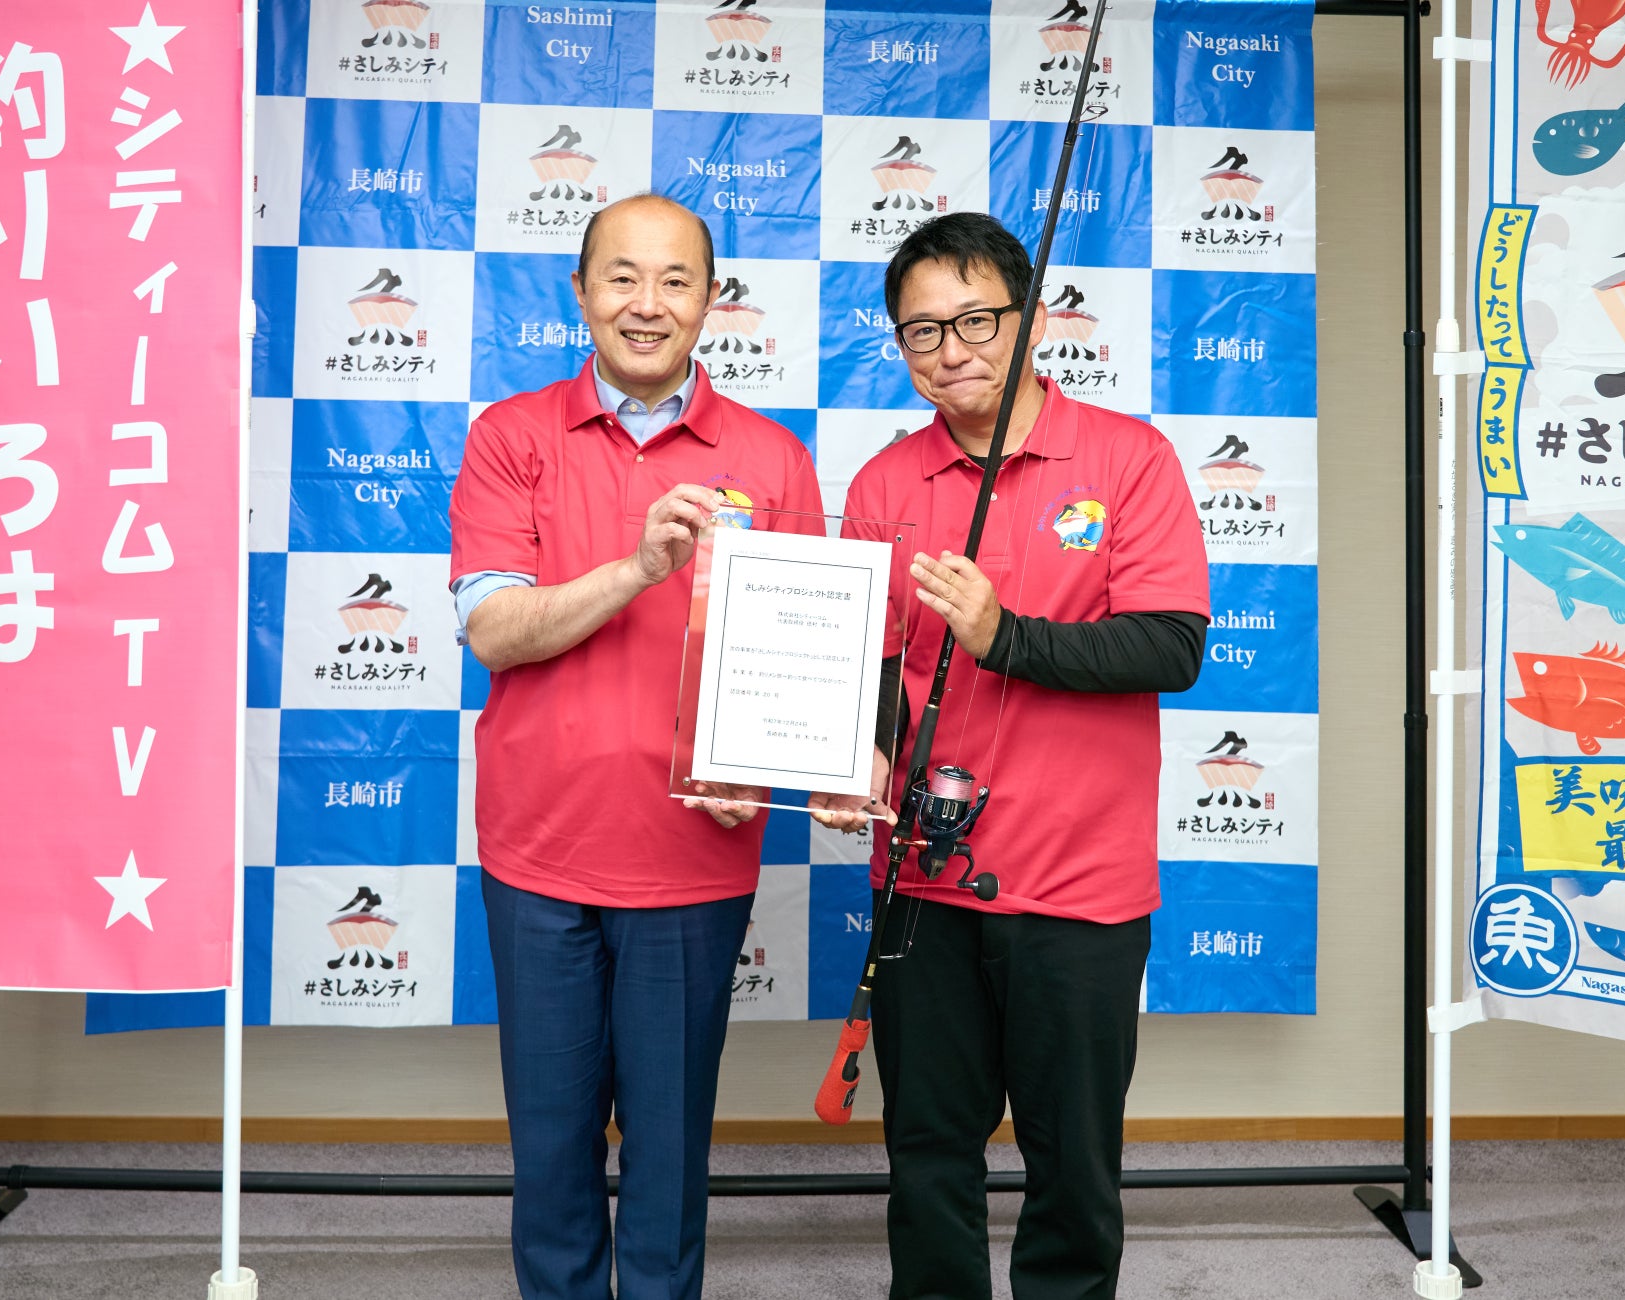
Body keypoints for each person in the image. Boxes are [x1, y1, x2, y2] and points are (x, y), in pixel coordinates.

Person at [809, 211, 1211, 1300]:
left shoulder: (1129, 458)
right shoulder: (885, 483)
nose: (951, 351)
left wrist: (1005, 636)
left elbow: (1172, 646)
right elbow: (874, 662)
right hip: (923, 880)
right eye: (922, 331)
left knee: (1072, 1164)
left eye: (976, 319)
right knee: (926, 1151)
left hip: (1079, 886)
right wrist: (860, 756)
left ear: (1030, 317)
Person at [449, 193, 823, 1300]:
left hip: (691, 863)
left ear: (711, 300)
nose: (646, 304)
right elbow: (493, 630)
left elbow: (798, 663)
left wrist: (766, 764)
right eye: (622, 277)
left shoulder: (774, 457)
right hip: (540, 855)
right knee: (551, 1148)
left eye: (674, 280)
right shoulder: (511, 437)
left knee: (669, 1155)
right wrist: (639, 567)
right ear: (580, 292)